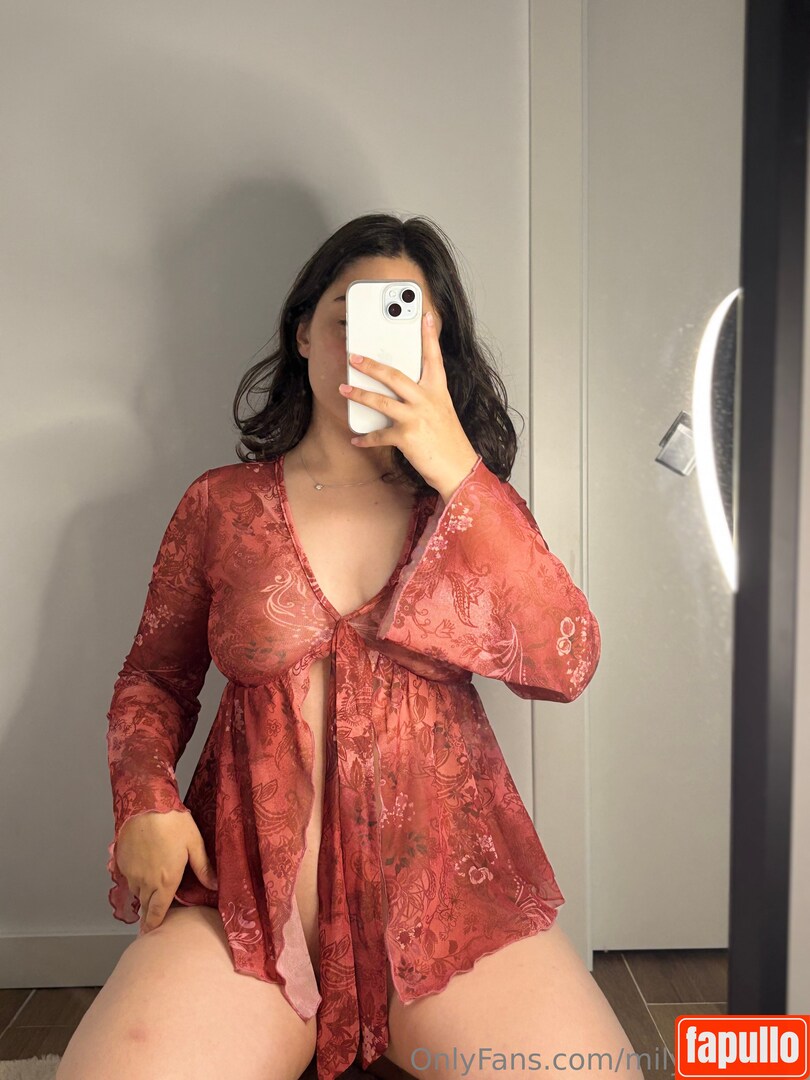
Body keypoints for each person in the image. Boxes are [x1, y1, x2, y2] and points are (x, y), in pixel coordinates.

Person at [57, 214, 645, 1080]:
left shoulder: (469, 511)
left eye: (408, 319)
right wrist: (144, 800)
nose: (370, 341)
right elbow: (152, 679)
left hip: (448, 914)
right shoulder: (220, 505)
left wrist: (458, 469)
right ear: (302, 332)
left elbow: (568, 662)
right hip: (248, 913)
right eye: (348, 315)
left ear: (438, 347)